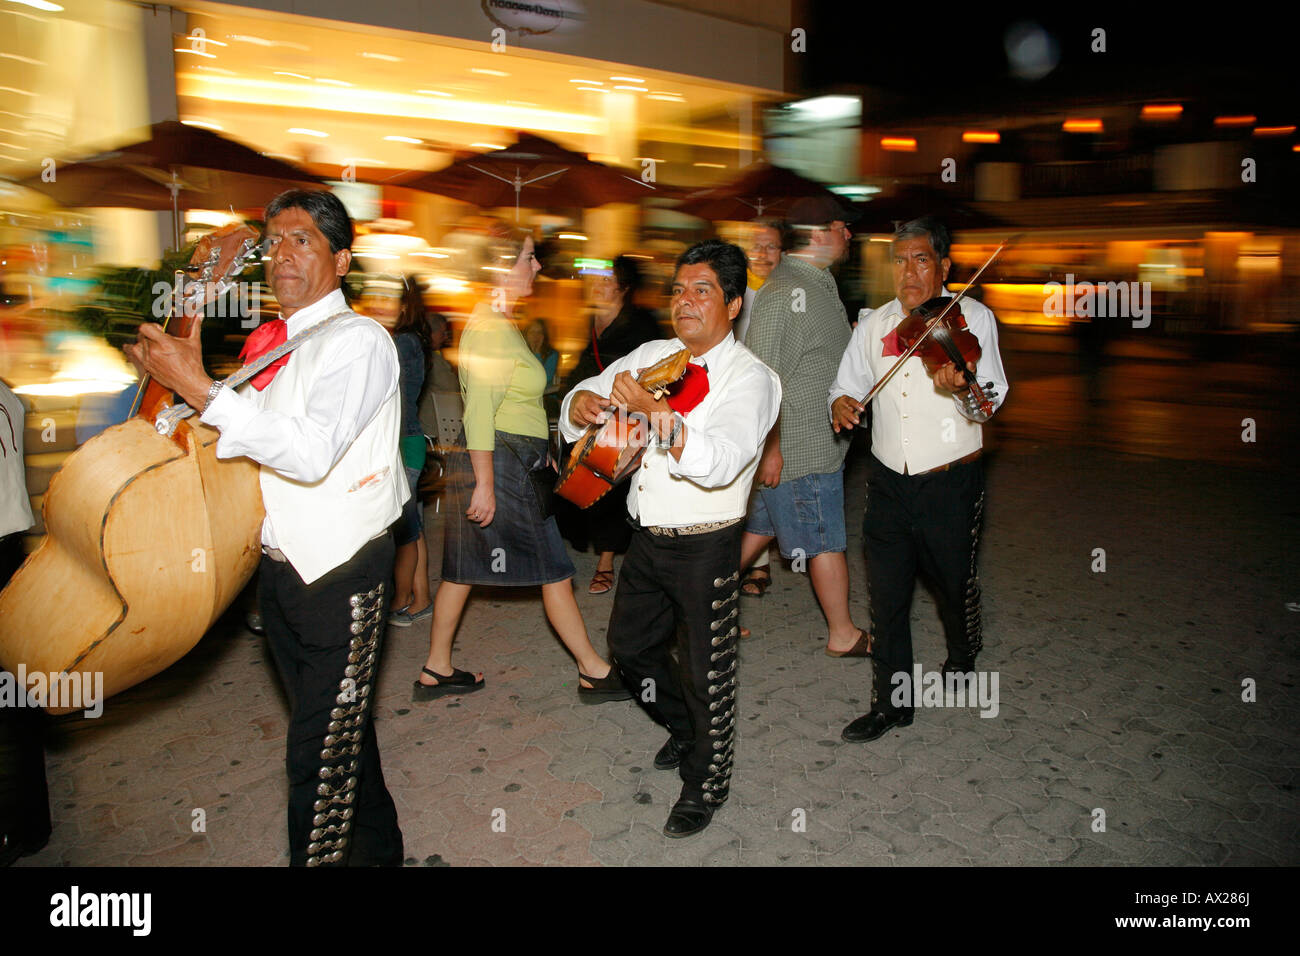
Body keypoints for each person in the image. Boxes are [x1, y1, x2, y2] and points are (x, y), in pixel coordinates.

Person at [125, 189, 405, 867]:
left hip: (344, 574)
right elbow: (225, 441)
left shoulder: (359, 341)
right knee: (342, 735)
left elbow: (308, 451)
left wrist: (202, 390)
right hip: (280, 576)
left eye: (302, 239)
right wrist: (182, 360)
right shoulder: (270, 346)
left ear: (341, 259)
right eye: (275, 240)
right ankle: (381, 854)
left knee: (314, 758)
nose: (282, 253)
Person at [561, 239, 781, 838]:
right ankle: (686, 731)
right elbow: (583, 402)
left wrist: (656, 416)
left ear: (734, 305)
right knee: (630, 650)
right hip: (647, 536)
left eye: (702, 290)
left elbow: (722, 460)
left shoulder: (752, 379)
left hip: (709, 541)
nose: (685, 301)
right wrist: (579, 405)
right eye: (679, 289)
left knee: (707, 669)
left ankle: (706, 780)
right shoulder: (655, 353)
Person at [416, 232, 628, 704]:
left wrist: (543, 449)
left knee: (462, 570)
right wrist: (486, 485)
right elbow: (478, 415)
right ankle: (593, 670)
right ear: (500, 269)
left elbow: (507, 403)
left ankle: (437, 666)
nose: (536, 267)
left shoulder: (498, 321)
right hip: (501, 466)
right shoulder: (490, 328)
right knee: (553, 569)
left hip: (511, 458)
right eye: (529, 259)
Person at [829, 216, 1009, 743]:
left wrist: (961, 389)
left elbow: (987, 404)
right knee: (887, 597)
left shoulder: (972, 318)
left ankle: (961, 650)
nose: (909, 272)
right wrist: (839, 401)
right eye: (901, 260)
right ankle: (892, 703)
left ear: (945, 267)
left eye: (921, 260)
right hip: (888, 482)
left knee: (952, 584)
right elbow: (846, 384)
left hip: (950, 481)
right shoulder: (873, 325)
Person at [742, 197, 869, 656]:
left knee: (752, 535)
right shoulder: (783, 294)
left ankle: (693, 611)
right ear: (818, 231)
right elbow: (761, 382)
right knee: (824, 541)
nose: (848, 234)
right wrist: (771, 450)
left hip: (807, 445)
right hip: (800, 448)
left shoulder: (816, 283)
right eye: (841, 225)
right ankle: (844, 634)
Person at [560, 255, 662, 594]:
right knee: (582, 477)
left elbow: (648, 374)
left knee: (612, 485)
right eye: (596, 280)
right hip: (591, 408)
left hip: (626, 414)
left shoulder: (641, 326)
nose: (598, 286)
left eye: (606, 281)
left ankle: (606, 560)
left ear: (623, 287)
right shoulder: (591, 320)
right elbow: (583, 364)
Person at [0, 379, 49, 867]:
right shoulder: (6, 393)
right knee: (16, 695)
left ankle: (18, 826)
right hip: (9, 550)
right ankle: (31, 824)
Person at [735, 220, 782, 598]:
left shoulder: (788, 290)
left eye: (772, 247)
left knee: (765, 474)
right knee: (745, 474)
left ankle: (757, 561)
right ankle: (755, 562)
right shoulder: (736, 288)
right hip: (740, 388)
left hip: (776, 390)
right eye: (757, 246)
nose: (763, 254)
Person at [386, 276, 433, 627]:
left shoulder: (401, 342)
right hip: (409, 441)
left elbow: (393, 402)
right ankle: (421, 598)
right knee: (412, 527)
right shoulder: (411, 340)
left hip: (401, 443)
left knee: (403, 531)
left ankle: (401, 600)